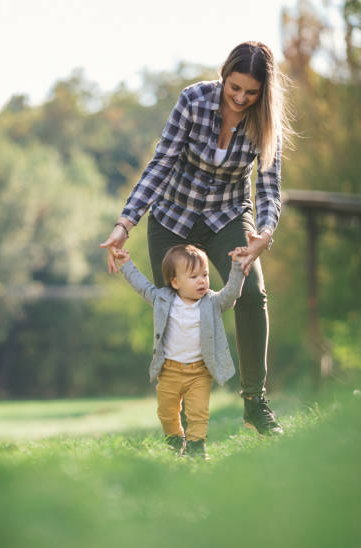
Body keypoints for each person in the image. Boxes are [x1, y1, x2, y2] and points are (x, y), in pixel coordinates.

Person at [101, 41, 293, 435]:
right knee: (177, 311)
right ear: (224, 76)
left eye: (250, 92)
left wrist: (265, 233)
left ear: (263, 92)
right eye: (233, 87)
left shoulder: (266, 121)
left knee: (252, 294)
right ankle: (187, 424)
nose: (240, 98)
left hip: (228, 214)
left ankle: (255, 402)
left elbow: (270, 188)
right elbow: (161, 163)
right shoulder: (193, 100)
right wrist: (125, 223)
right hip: (174, 214)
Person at [113, 243, 246, 458]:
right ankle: (175, 442)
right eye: (194, 277)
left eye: (205, 274)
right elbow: (142, 286)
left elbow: (231, 294)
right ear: (175, 282)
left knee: (198, 413)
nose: (202, 280)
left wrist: (238, 265)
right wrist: (125, 264)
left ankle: (196, 449)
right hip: (169, 371)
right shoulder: (163, 300)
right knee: (166, 413)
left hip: (200, 372)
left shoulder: (212, 302)